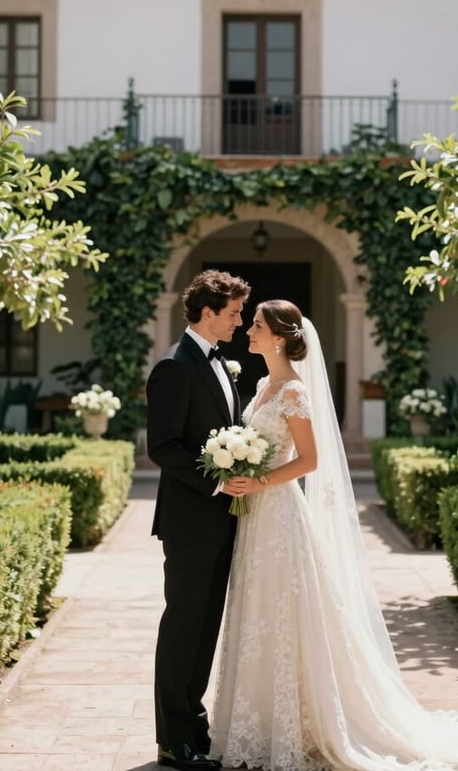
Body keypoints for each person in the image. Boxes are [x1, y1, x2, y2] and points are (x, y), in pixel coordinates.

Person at [210, 299, 458, 771]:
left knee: (283, 610)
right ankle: (257, 721)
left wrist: (260, 480)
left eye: (257, 326)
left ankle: (299, 722)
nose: (248, 331)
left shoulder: (293, 393)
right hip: (254, 515)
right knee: (257, 608)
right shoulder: (264, 384)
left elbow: (309, 460)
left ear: (280, 337)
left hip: (280, 514)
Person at [147, 269, 251, 771]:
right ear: (208, 312)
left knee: (205, 626)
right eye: (233, 313)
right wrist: (216, 482)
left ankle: (194, 726)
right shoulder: (173, 366)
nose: (239, 321)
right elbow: (162, 447)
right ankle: (172, 740)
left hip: (222, 519)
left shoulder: (220, 363)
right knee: (183, 626)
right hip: (190, 521)